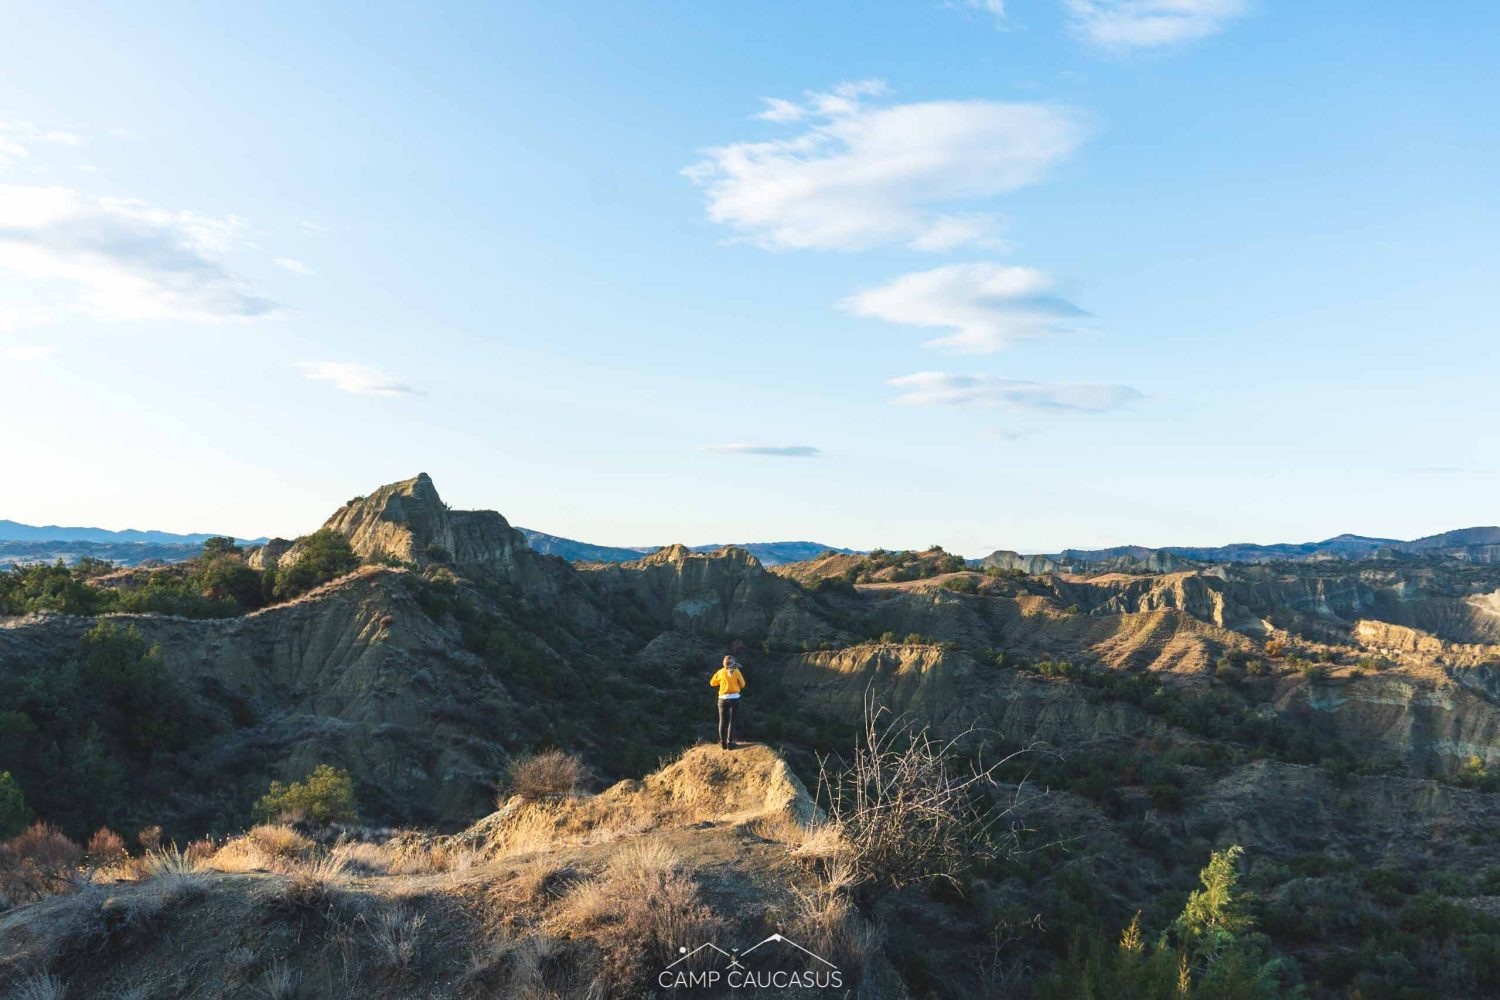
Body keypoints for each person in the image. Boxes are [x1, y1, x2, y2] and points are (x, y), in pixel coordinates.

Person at [709, 655, 746, 749]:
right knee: (731, 721)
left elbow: (712, 683)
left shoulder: (720, 672)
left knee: (722, 721)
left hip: (722, 699)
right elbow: (743, 685)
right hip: (734, 698)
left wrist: (722, 681)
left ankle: (722, 743)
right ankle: (730, 743)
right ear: (733, 664)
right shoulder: (736, 671)